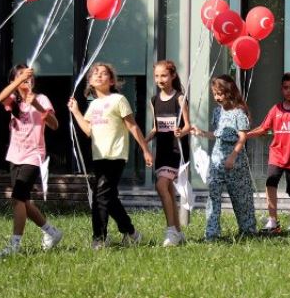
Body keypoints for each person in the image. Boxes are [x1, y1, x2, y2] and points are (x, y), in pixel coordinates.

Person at [68, 63, 153, 249]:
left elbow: (132, 126)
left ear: (112, 80)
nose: (99, 76)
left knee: (100, 196)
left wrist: (145, 150)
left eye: (104, 74)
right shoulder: (94, 105)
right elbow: (88, 131)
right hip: (99, 156)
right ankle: (131, 233)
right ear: (90, 81)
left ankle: (99, 237)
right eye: (95, 74)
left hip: (115, 155)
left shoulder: (118, 99)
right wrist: (75, 112)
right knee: (109, 197)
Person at [0, 65, 63, 256]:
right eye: (21, 75)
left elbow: (55, 125)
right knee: (22, 200)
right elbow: (0, 97)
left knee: (17, 198)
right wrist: (18, 81)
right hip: (14, 155)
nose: (27, 77)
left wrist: (38, 106)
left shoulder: (41, 99)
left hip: (34, 155)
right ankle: (52, 232)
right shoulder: (13, 100)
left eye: (28, 75)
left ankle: (15, 245)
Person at [191, 74, 256, 241]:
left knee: (241, 198)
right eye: (214, 93)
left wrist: (233, 157)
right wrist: (202, 133)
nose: (217, 97)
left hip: (236, 162)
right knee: (213, 196)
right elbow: (217, 135)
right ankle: (212, 233)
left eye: (220, 93)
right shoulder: (217, 112)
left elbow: (242, 137)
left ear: (229, 92)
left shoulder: (239, 113)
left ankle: (248, 230)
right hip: (217, 160)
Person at [247, 72, 290, 234]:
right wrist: (245, 135)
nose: (288, 91)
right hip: (276, 155)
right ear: (281, 89)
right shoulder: (275, 109)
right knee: (270, 183)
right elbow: (263, 128)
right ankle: (273, 220)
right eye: (285, 88)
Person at [146, 60, 190, 247]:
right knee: (169, 190)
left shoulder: (179, 98)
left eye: (164, 75)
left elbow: (188, 125)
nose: (160, 79)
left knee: (161, 185)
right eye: (156, 76)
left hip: (176, 150)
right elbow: (156, 128)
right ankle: (178, 233)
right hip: (162, 150)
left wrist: (182, 131)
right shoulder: (154, 100)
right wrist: (143, 142)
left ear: (172, 76)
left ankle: (170, 230)